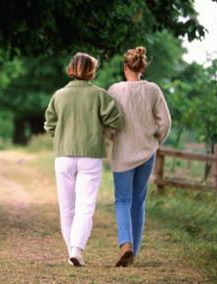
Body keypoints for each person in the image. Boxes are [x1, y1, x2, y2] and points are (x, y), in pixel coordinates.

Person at [44, 52, 121, 266]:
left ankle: (73, 252)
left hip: (64, 155)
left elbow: (49, 124)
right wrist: (101, 127)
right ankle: (76, 250)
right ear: (91, 71)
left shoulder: (59, 95)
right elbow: (116, 120)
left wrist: (61, 135)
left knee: (67, 207)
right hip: (90, 155)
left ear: (71, 69)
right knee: (85, 206)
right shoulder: (99, 95)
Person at [108, 46, 171, 267]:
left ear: (126, 66)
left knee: (123, 200)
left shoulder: (114, 90)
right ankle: (134, 250)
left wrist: (109, 137)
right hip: (146, 153)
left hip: (123, 154)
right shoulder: (153, 89)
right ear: (142, 67)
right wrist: (155, 141)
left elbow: (108, 121)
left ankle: (126, 244)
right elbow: (165, 122)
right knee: (138, 202)